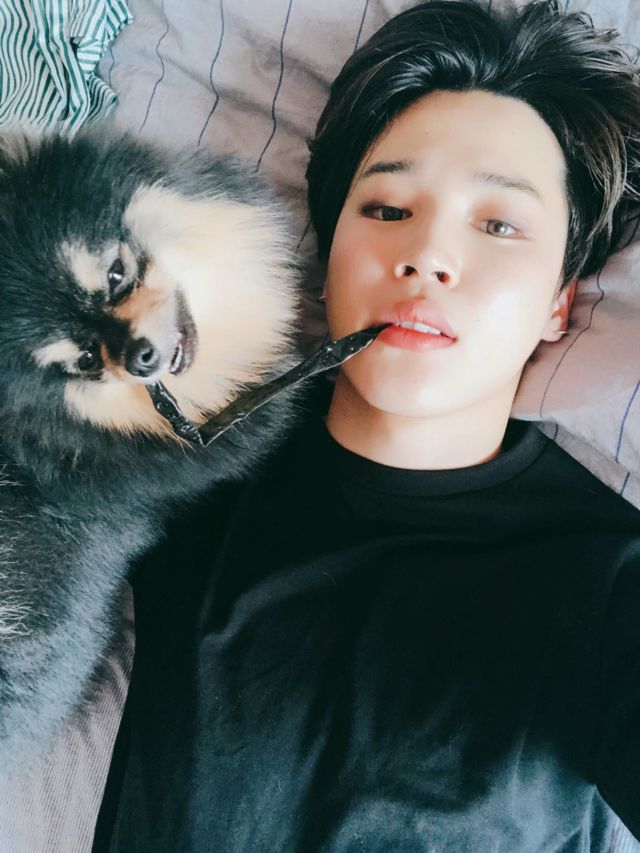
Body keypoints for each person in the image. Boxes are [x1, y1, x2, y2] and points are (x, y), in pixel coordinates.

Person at [95, 1, 640, 850]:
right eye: (387, 209)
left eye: (498, 224)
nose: (426, 255)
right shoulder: (189, 464)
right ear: (329, 259)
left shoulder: (611, 584)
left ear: (558, 303)